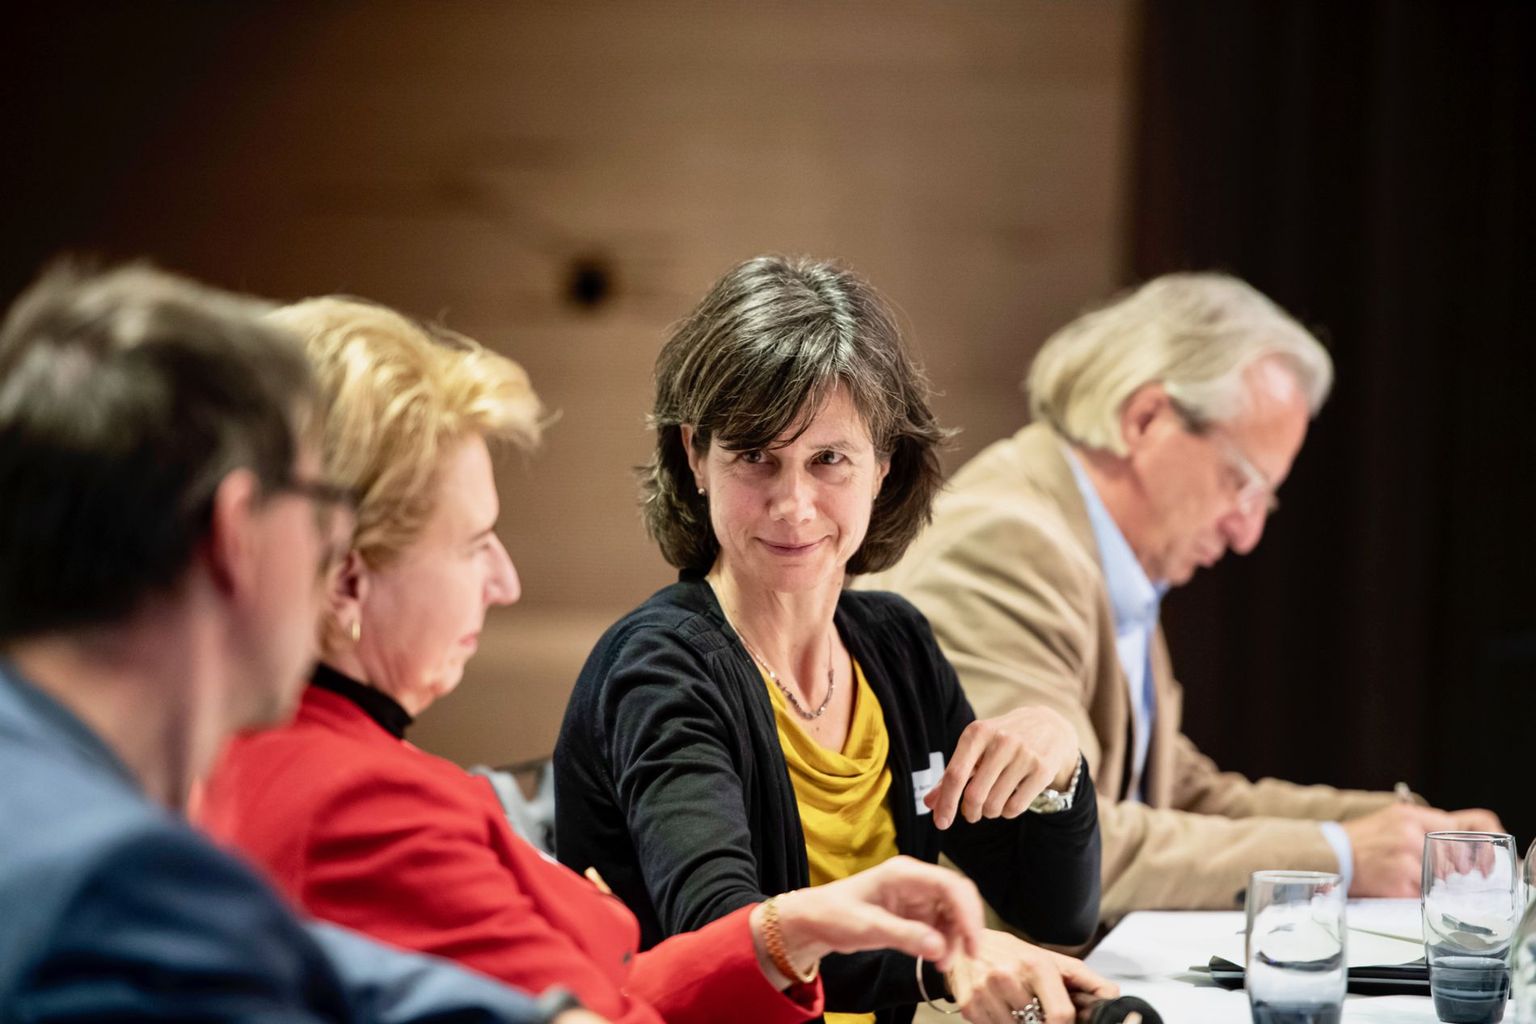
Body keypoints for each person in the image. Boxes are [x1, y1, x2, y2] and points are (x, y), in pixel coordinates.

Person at [198, 297, 988, 1024]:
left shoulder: (307, 763)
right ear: (344, 578)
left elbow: (597, 992)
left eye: (830, 461)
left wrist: (798, 928)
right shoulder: (359, 808)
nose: (505, 582)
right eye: (475, 545)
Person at [0, 263, 587, 1023]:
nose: (337, 550)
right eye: (320, 504)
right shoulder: (113, 882)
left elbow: (306, 956)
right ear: (235, 533)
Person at [555, 255, 1117, 1024]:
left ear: (883, 465)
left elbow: (1057, 914)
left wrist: (1057, 766)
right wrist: (936, 965)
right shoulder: (662, 669)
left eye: (830, 460)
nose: (794, 505)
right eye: (756, 456)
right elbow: (723, 935)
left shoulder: (895, 647)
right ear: (695, 457)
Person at [860, 272, 1503, 920]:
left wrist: (1397, 830)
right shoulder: (1009, 543)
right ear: (1145, 419)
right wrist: (1340, 855)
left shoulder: (1097, 549)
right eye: (1239, 482)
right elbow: (1065, 842)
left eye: (1264, 501)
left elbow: (1176, 792)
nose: (1247, 532)